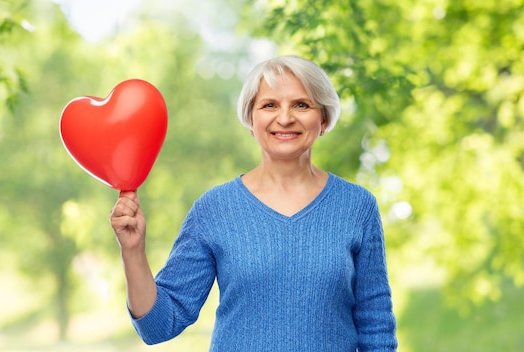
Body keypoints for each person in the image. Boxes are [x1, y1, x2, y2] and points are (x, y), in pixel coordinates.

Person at [109, 55, 398, 351]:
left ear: (323, 119)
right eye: (269, 105)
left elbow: (376, 328)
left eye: (301, 104)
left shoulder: (357, 206)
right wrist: (133, 252)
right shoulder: (214, 209)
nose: (285, 118)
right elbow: (158, 326)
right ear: (250, 119)